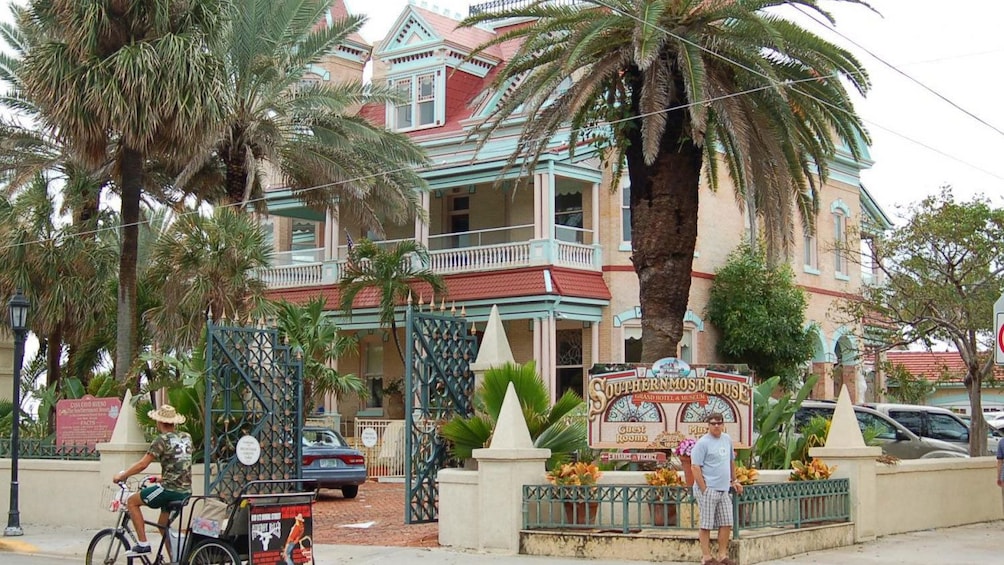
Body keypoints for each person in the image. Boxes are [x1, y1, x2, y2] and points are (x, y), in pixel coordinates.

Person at [111, 405, 193, 556]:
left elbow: (142, 464)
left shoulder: (161, 440)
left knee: (132, 502)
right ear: (174, 422)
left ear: (159, 422)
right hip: (185, 491)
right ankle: (175, 559)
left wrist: (123, 476)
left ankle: (143, 544)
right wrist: (161, 478)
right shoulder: (186, 437)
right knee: (162, 525)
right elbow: (181, 464)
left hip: (170, 490)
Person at [690, 412, 741, 565]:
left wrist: (735, 480)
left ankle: (722, 555)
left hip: (723, 489)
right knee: (706, 524)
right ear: (708, 425)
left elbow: (731, 461)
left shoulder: (727, 439)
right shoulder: (703, 443)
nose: (716, 426)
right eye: (713, 423)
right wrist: (704, 489)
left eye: (719, 423)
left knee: (726, 522)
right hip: (708, 489)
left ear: (723, 424)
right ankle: (706, 557)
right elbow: (694, 467)